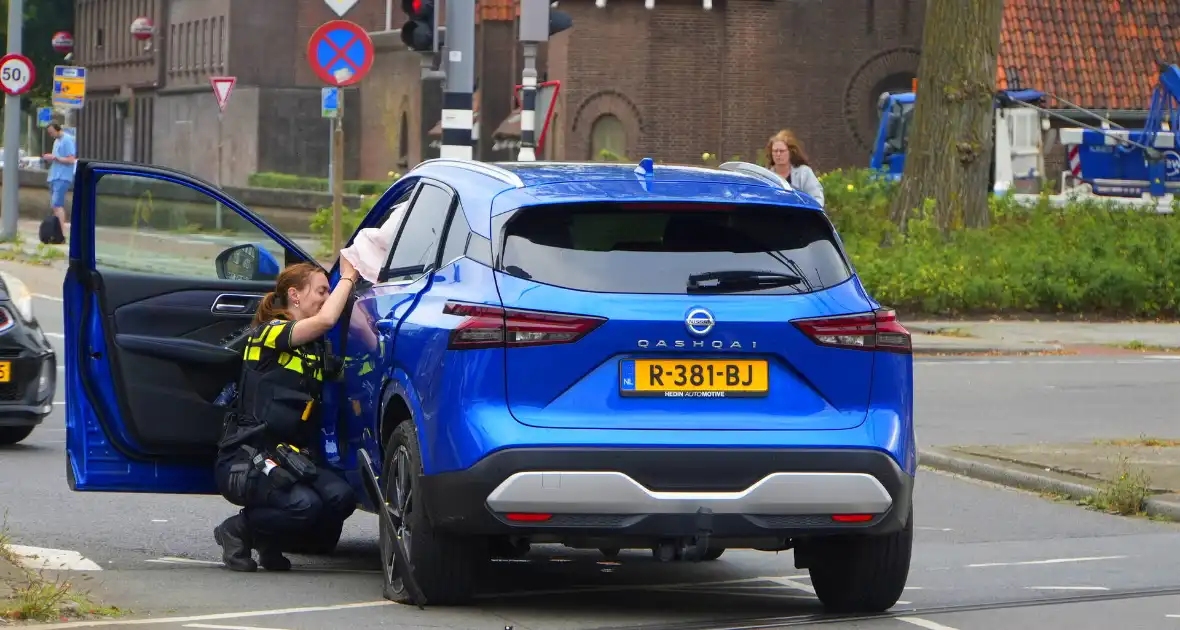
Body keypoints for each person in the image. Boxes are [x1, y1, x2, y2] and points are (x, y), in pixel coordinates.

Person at [212, 258, 361, 572]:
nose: (326, 297)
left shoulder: (315, 349)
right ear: (295, 295)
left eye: (328, 291)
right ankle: (238, 530)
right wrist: (348, 277)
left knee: (340, 498)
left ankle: (270, 538)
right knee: (304, 506)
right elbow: (324, 321)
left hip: (292, 456)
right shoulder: (269, 333)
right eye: (321, 290)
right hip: (250, 455)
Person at [766, 129, 825, 207]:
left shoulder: (804, 173)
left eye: (782, 151)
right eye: (775, 151)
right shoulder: (766, 176)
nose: (778, 154)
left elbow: (817, 198)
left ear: (790, 152)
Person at [42, 123, 77, 240]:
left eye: (52, 132)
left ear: (58, 130)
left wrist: (55, 158)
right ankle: (56, 231)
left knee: (57, 204)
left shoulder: (67, 140)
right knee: (54, 205)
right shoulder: (56, 141)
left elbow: (71, 159)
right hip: (54, 176)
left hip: (62, 177)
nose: (51, 135)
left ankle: (61, 233)